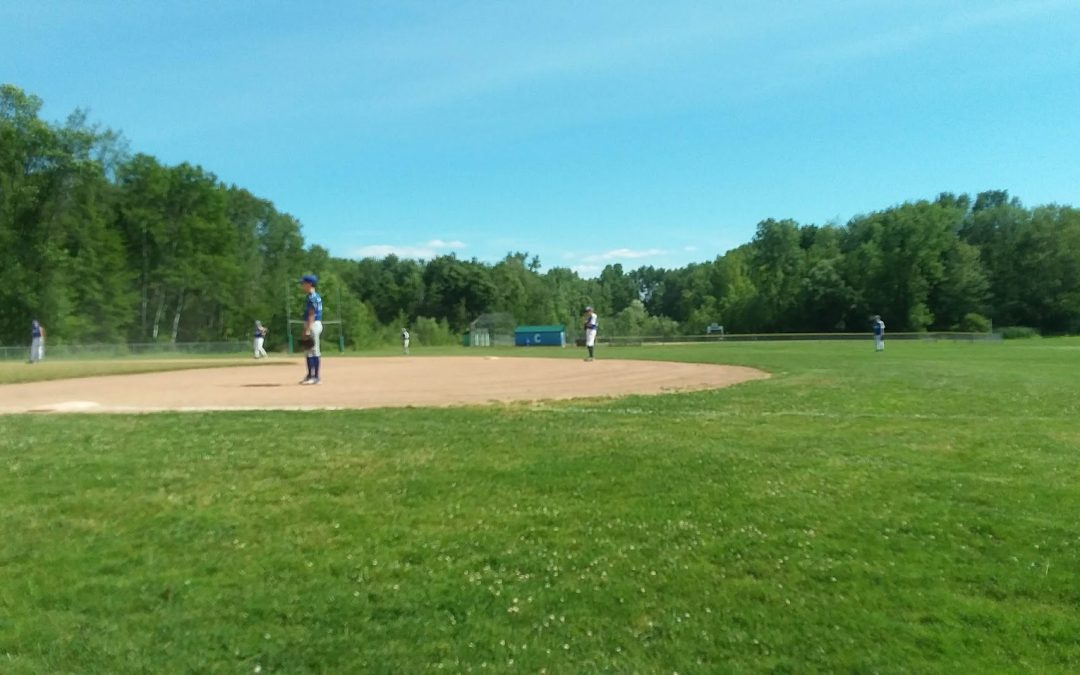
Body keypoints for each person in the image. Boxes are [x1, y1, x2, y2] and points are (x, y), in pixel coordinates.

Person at [299, 275, 324, 384]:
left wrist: (307, 330)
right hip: (312, 324)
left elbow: (311, 314)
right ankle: (310, 375)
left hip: (313, 324)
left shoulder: (312, 297)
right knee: (308, 351)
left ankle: (316, 377)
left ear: (309, 284)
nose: (302, 285)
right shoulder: (313, 296)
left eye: (304, 283)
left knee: (314, 351)